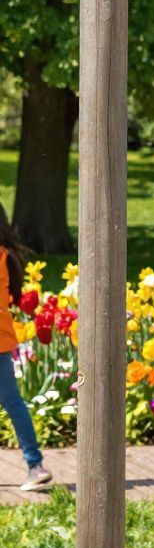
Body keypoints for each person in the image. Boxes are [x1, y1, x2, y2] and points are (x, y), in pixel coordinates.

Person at [0, 202, 52, 493]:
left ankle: (36, 464)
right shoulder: (6, 256)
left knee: (14, 404)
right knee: (14, 404)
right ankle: (36, 465)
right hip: (2, 342)